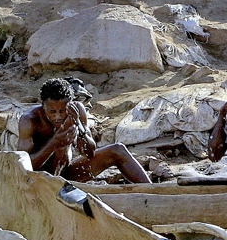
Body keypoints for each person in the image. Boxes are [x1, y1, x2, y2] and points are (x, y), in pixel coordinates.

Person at [18, 77, 152, 183]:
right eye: (52, 111)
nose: (57, 116)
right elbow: (23, 168)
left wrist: (79, 127)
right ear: (43, 105)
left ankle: (153, 190)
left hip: (67, 172)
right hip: (41, 179)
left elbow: (89, 153)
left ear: (70, 105)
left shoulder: (77, 111)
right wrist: (54, 143)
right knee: (59, 147)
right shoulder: (29, 120)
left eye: (62, 111)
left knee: (117, 150)